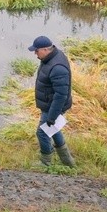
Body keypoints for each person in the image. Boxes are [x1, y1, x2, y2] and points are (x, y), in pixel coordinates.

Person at [28, 35, 76, 168]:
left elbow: (61, 95)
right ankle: (68, 162)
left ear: (45, 49)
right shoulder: (49, 58)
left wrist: (52, 117)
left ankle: (45, 162)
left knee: (42, 133)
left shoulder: (57, 67)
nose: (35, 53)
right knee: (53, 130)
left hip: (53, 107)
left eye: (36, 50)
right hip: (48, 104)